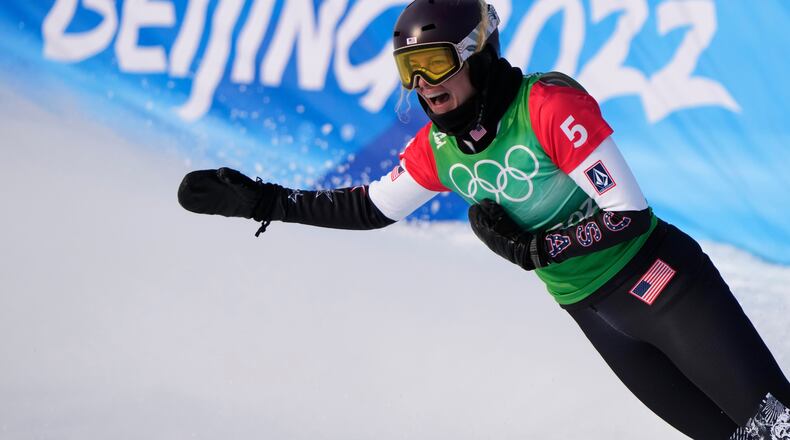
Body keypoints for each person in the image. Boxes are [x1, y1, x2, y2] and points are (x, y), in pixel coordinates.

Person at [177, 1, 790, 438]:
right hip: (596, 314)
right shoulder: (437, 149)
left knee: (776, 428)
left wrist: (537, 252)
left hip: (660, 284)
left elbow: (628, 214)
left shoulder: (547, 106)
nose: (422, 84)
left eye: (436, 63)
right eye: (408, 69)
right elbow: (368, 208)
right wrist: (266, 202)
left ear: (476, 53)